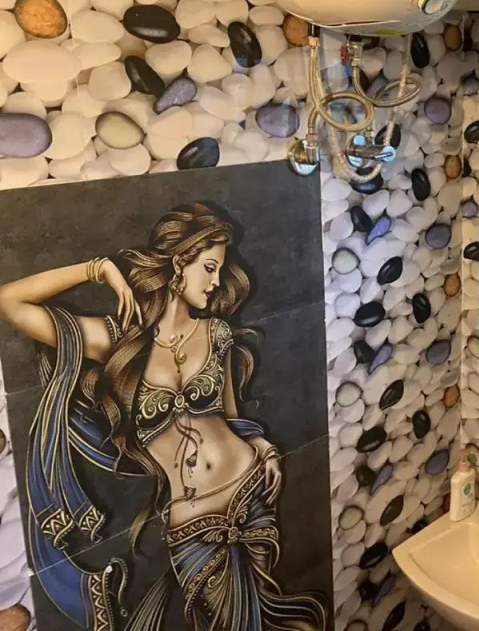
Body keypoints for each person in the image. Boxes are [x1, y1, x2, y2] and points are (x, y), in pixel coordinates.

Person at [0, 203, 327, 631]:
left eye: (219, 269)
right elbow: (10, 301)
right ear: (178, 263)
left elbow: (230, 416)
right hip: (192, 522)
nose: (216, 281)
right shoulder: (117, 341)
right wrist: (99, 269)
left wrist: (263, 446)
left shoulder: (216, 333)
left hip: (251, 489)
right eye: (209, 267)